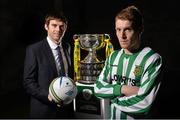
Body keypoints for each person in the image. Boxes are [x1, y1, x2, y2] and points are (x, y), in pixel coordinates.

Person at [94, 5, 163, 119]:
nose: (122, 36)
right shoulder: (113, 56)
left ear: (139, 30)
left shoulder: (152, 60)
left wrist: (112, 98)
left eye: (127, 29)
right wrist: (123, 89)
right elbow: (98, 87)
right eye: (118, 30)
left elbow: (144, 104)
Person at [23, 10, 74, 118]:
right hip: (44, 110)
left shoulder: (67, 47)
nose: (58, 30)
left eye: (61, 26)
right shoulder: (34, 50)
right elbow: (28, 82)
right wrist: (48, 96)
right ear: (46, 26)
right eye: (54, 25)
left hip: (66, 110)